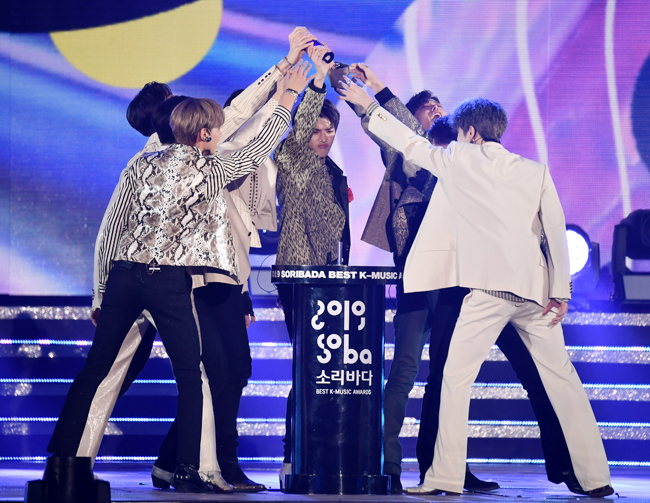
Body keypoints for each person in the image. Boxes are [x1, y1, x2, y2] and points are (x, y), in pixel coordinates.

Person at [47, 63, 311, 493]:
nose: (221, 132)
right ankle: (188, 467)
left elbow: (113, 227)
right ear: (204, 134)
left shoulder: (140, 164)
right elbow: (259, 145)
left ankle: (61, 464)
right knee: (191, 374)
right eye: (216, 128)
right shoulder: (211, 168)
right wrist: (287, 96)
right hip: (167, 281)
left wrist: (101, 291)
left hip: (124, 276)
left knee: (97, 366)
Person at [340, 84, 614, 497]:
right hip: (536, 291)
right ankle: (597, 478)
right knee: (565, 382)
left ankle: (445, 477)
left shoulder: (460, 159)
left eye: (458, 131)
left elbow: (411, 144)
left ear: (469, 132)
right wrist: (561, 292)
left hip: (488, 292)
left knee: (454, 379)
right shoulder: (534, 170)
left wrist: (368, 105)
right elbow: (555, 232)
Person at [273, 44, 350, 488]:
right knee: (307, 368)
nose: (322, 136)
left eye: (329, 130)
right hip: (298, 276)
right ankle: (292, 454)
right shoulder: (293, 158)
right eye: (317, 128)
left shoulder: (334, 172)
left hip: (330, 280)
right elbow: (300, 128)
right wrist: (317, 81)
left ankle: (321, 450)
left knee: (325, 371)